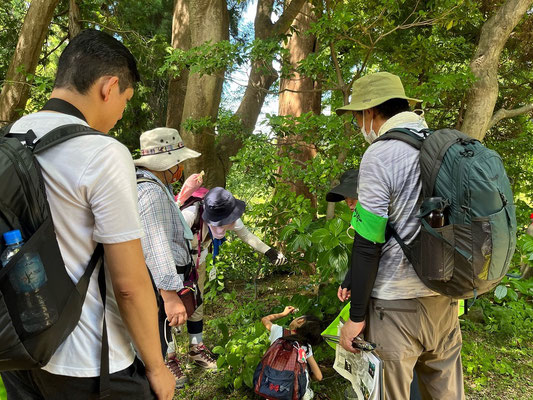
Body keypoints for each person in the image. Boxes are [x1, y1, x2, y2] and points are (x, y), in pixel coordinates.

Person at [0, 29, 174, 399]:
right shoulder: (103, 153)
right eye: (125, 100)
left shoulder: (10, 135)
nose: (121, 111)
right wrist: (158, 367)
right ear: (108, 87)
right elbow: (129, 284)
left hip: (20, 350)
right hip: (90, 364)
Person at [336, 72, 464, 399]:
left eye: (357, 117)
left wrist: (356, 318)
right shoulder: (443, 146)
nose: (359, 125)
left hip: (395, 310)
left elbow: (368, 244)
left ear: (370, 112)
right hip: (444, 298)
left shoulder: (381, 155)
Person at [177, 186, 288, 369]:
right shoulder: (189, 216)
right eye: (225, 221)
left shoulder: (228, 214)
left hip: (198, 263)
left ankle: (196, 349)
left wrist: (269, 252)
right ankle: (169, 358)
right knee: (169, 311)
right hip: (176, 264)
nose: (231, 223)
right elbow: (164, 238)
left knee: (196, 303)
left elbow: (246, 235)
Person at [134, 127, 201, 387]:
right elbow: (155, 242)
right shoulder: (150, 192)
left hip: (154, 280)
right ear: (169, 162)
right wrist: (170, 295)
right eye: (179, 162)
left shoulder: (149, 185)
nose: (181, 167)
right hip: (157, 284)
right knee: (156, 346)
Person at [261, 306, 323, 400]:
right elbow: (319, 376)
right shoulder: (306, 347)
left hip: (273, 387)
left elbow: (265, 319)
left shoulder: (278, 332)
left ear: (301, 320)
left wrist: (283, 313)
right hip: (297, 392)